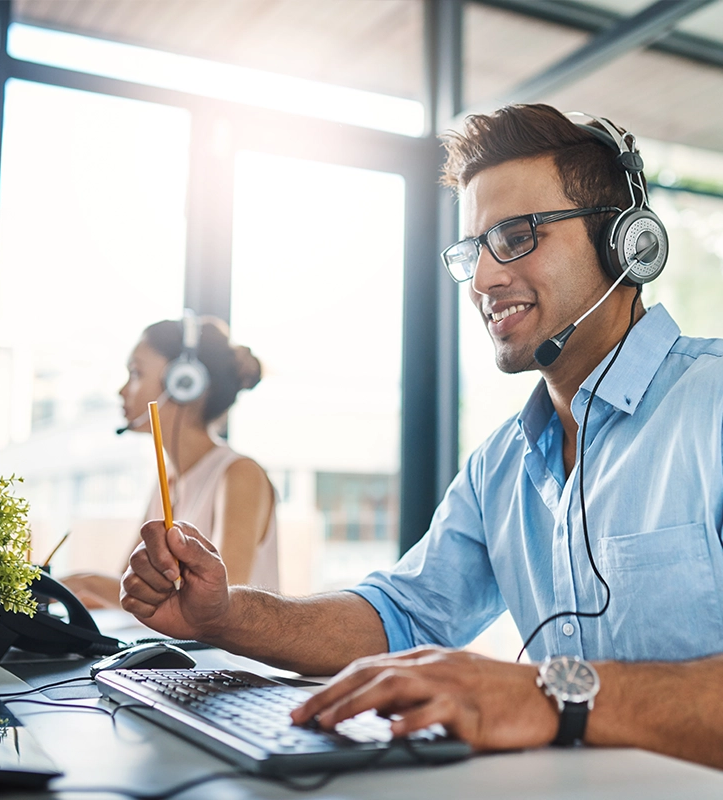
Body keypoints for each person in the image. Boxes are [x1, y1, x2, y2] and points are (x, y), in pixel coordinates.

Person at [120, 104, 723, 770]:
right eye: (476, 249)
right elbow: (398, 615)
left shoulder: (713, 407)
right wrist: (227, 616)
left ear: (626, 242)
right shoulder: (502, 464)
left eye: (519, 235)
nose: (487, 278)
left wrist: (548, 697)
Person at [62, 315, 278, 607]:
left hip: (226, 655)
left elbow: (223, 603)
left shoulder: (240, 475)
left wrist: (85, 582)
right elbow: (131, 589)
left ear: (182, 382)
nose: (122, 391)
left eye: (136, 373)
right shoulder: (169, 480)